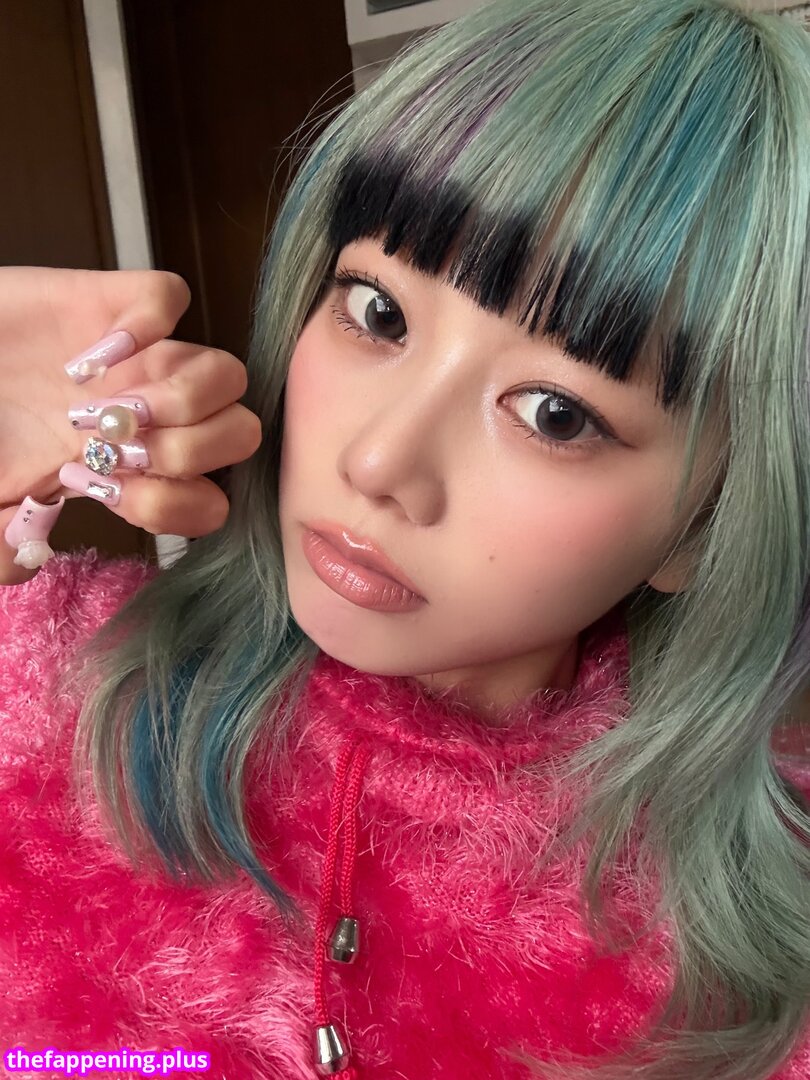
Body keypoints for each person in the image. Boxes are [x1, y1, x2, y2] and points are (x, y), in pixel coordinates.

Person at [1, 0, 809, 1076]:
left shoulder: (766, 978)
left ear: (708, 527)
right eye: (378, 312)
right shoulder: (45, 675)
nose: (378, 463)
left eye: (556, 414)